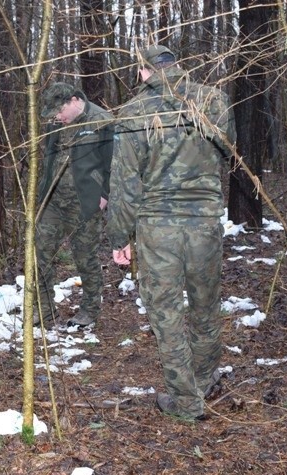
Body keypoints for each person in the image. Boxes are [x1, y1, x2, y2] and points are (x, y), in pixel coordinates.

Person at [107, 46, 236, 419]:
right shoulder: (213, 100)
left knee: (166, 313)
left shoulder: (133, 113)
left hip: (157, 224)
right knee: (205, 303)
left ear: (142, 71)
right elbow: (227, 151)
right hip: (204, 221)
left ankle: (185, 400)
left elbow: (126, 184)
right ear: (176, 66)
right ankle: (204, 377)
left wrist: (119, 237)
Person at [35, 82, 114, 327]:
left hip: (85, 202)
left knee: (85, 257)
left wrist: (105, 194)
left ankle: (89, 311)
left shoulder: (102, 121)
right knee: (40, 255)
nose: (57, 117)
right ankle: (45, 312)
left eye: (59, 111)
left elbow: (115, 163)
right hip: (52, 200)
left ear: (73, 100)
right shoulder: (56, 123)